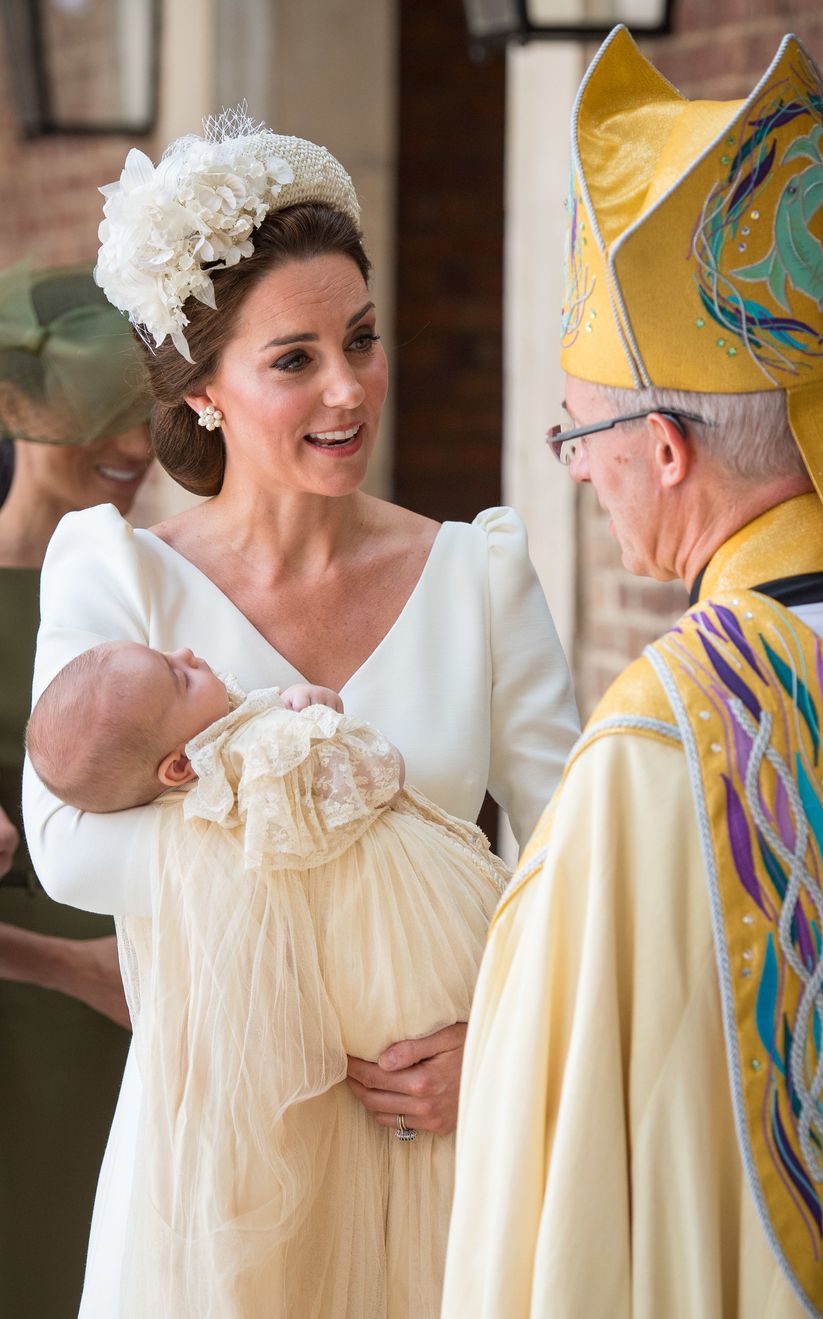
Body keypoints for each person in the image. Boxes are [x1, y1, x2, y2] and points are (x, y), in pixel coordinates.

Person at [443, 27, 823, 1319]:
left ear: (665, 448)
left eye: (578, 429)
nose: (575, 465)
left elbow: (552, 1190)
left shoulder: (661, 747)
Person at [23, 112, 580, 1318]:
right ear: (205, 390)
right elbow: (68, 846)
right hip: (211, 1172)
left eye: (362, 339)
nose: (349, 387)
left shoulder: (478, 572)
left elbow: (571, 861)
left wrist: (502, 1040)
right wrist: (297, 801)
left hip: (435, 1154)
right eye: (295, 358)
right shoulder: (118, 577)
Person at [27, 639, 509, 1316]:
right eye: (178, 672)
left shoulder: (223, 774)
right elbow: (375, 773)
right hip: (404, 972)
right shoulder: (259, 759)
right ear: (175, 765)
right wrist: (320, 718)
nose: (191, 652)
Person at [0, 258, 152, 1319]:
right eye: (101, 418)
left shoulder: (165, 600)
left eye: (146, 416)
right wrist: (74, 969)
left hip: (162, 1022)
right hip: (26, 1039)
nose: (137, 449)